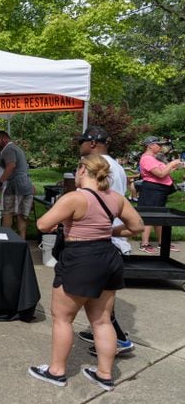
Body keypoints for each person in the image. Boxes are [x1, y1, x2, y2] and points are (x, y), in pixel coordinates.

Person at [28, 154, 143, 391]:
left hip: (81, 258)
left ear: (82, 170)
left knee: (62, 318)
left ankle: (56, 371)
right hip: (108, 258)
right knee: (102, 321)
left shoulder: (74, 198)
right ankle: (104, 374)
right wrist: (110, 232)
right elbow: (137, 227)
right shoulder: (116, 198)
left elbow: (42, 225)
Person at [75, 126, 135, 356]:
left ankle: (118, 339)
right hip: (108, 238)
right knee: (100, 296)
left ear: (92, 143)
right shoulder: (114, 165)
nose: (79, 146)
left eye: (81, 141)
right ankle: (104, 331)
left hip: (102, 239)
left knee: (100, 297)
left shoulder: (103, 168)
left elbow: (99, 202)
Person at [138, 136, 183, 253]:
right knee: (149, 216)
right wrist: (172, 163)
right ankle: (144, 244)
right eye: (159, 144)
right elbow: (161, 174)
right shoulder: (147, 158)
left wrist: (174, 167)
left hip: (159, 190)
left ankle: (163, 242)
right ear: (150, 145)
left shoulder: (155, 158)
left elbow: (165, 172)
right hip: (153, 190)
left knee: (159, 216)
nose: (161, 146)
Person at [0, 131, 34, 239]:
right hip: (25, 185)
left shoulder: (8, 149)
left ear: (5, 139)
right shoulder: (15, 148)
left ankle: (5, 242)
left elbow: (11, 166)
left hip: (16, 185)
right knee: (21, 215)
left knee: (7, 214)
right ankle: (22, 242)